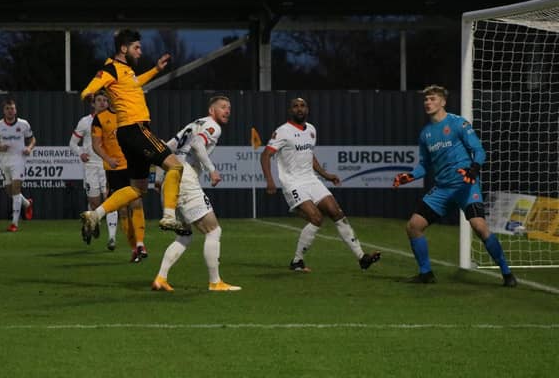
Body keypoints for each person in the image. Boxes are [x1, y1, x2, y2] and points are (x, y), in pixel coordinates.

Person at [393, 85, 517, 287]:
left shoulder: (458, 123)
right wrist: (410, 176)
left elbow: (479, 150)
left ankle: (507, 273)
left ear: (442, 102)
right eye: (426, 100)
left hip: (466, 186)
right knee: (414, 226)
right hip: (442, 189)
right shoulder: (425, 134)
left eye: (432, 99)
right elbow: (425, 165)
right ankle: (426, 274)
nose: (428, 103)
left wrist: (474, 169)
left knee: (479, 227)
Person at [79, 29, 185, 235]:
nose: (140, 51)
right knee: (176, 167)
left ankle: (95, 215)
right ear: (123, 48)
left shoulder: (126, 71)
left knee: (138, 189)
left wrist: (156, 69)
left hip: (128, 133)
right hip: (135, 128)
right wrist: (88, 94)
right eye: (137, 47)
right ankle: (169, 217)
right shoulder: (111, 68)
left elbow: (135, 84)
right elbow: (93, 85)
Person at [261, 97, 381, 273]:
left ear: (307, 109)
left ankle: (362, 258)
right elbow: (265, 155)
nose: (299, 109)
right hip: (293, 183)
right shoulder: (282, 132)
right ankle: (297, 262)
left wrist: (326, 175)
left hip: (311, 180)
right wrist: (270, 180)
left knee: (336, 212)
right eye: (295, 106)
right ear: (290, 110)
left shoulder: (311, 130)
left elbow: (310, 156)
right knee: (316, 218)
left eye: (302, 106)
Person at [151, 96, 240, 292]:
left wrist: (158, 178)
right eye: (223, 107)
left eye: (229, 108)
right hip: (185, 178)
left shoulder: (192, 124)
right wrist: (212, 170)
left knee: (185, 236)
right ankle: (215, 282)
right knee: (213, 231)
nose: (227, 111)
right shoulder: (212, 126)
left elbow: (165, 148)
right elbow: (198, 145)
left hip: (171, 178)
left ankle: (161, 278)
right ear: (212, 110)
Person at [91, 93, 148, 261]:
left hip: (132, 164)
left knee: (136, 202)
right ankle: (134, 250)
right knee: (123, 209)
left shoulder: (130, 115)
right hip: (114, 168)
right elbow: (95, 145)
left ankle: (140, 243)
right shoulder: (100, 118)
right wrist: (108, 159)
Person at [69, 90, 118, 250]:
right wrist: (80, 153)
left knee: (111, 201)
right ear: (93, 103)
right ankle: (91, 223)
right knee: (95, 203)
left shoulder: (115, 119)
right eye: (99, 100)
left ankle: (112, 238)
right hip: (91, 166)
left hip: (108, 166)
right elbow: (72, 143)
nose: (103, 103)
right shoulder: (85, 122)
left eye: (105, 100)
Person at [0, 98, 35, 232]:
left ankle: (14, 223)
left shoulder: (23, 124)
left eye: (12, 108)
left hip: (19, 160)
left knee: (15, 189)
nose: (10, 111)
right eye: (8, 109)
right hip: (5, 161)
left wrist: (29, 148)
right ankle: (27, 203)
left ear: (16, 110)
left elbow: (32, 139)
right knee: (9, 191)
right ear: (4, 111)